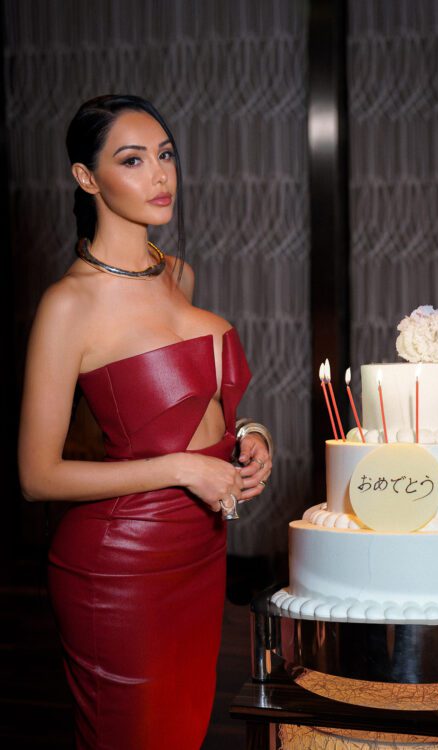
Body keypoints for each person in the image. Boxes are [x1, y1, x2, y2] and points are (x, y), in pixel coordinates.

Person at [17, 94, 273, 749]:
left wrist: (247, 438)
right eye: (132, 160)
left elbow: (183, 406)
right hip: (119, 567)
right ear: (86, 177)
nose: (160, 175)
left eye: (166, 155)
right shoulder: (67, 305)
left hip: (201, 549)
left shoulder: (176, 274)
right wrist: (183, 467)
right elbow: (36, 476)